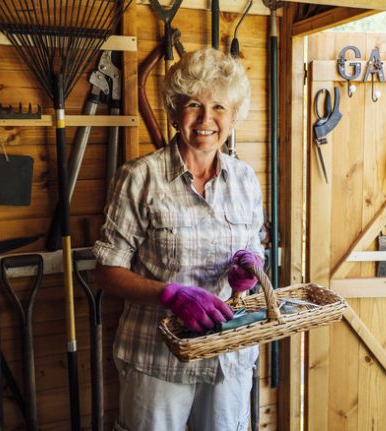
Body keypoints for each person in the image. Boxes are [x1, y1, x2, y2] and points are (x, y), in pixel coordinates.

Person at [92, 47, 265, 431]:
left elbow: (255, 247)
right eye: (193, 105)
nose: (206, 119)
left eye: (219, 107)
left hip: (227, 353)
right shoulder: (140, 177)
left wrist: (250, 269)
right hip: (157, 357)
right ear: (173, 112)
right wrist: (170, 295)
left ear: (234, 116)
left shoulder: (245, 180)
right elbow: (106, 271)